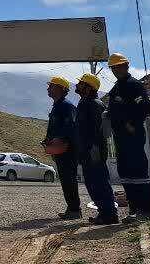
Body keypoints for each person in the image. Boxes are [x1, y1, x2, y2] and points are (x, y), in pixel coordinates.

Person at [106, 52, 150, 221]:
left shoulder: (133, 85)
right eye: (113, 67)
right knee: (126, 173)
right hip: (120, 137)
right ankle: (134, 210)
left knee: (138, 172)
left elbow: (145, 107)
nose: (116, 70)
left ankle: (147, 210)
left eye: (119, 66)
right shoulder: (117, 87)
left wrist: (132, 124)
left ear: (126, 66)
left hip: (132, 135)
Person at [75, 72, 118, 225]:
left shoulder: (94, 104)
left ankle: (109, 214)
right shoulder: (85, 102)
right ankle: (104, 212)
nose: (77, 85)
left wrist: (94, 148)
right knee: (92, 183)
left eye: (81, 83)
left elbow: (97, 130)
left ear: (88, 87)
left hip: (94, 150)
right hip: (87, 150)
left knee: (99, 181)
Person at [42, 76, 81, 220]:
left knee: (69, 179)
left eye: (51, 86)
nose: (48, 89)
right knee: (65, 179)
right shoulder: (57, 106)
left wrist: (59, 141)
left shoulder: (66, 106)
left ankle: (75, 209)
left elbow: (70, 127)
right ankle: (72, 208)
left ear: (59, 88)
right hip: (61, 149)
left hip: (68, 150)